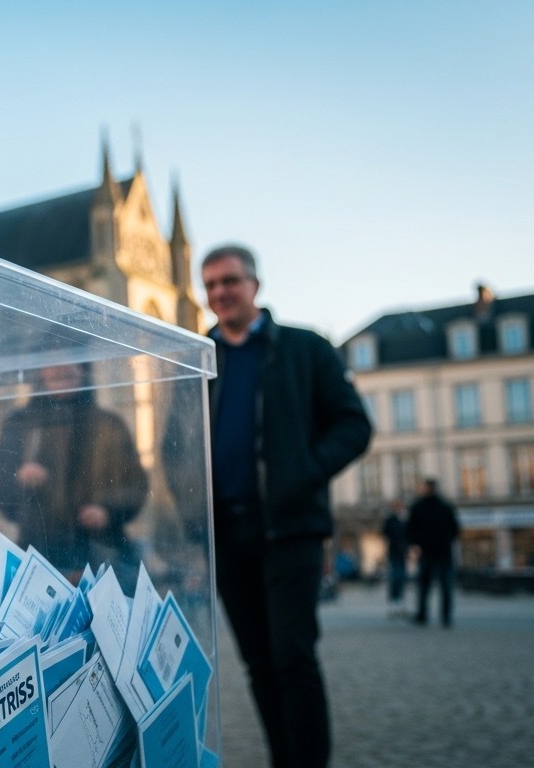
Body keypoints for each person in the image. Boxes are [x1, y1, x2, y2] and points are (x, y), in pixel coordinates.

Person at [202, 245, 372, 768]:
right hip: (227, 535)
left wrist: (304, 470)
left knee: (292, 657)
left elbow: (354, 425)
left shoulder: (305, 348)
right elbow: (174, 437)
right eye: (209, 285)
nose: (220, 293)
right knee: (257, 663)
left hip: (290, 528)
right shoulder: (198, 355)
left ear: (255, 284)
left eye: (230, 281)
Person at [0, 362, 148, 582]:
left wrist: (108, 511)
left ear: (84, 369)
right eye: (53, 362)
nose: (62, 369)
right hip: (38, 554)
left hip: (101, 552)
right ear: (40, 370)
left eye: (72, 361)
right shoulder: (20, 423)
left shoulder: (110, 424)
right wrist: (20, 477)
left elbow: (136, 486)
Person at [407, 478, 460, 628]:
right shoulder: (444, 506)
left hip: (428, 551)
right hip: (442, 551)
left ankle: (424, 615)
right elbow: (455, 528)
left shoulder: (419, 506)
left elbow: (411, 529)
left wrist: (415, 544)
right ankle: (445, 616)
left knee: (425, 585)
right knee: (444, 586)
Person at [381, 499, 409, 618]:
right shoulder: (392, 520)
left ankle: (398, 601)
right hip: (395, 551)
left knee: (400, 576)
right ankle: (395, 602)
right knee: (397, 576)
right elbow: (387, 534)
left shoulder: (403, 519)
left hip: (402, 552)